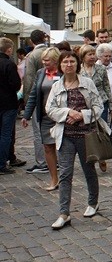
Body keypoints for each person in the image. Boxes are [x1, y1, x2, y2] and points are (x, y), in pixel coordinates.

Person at [45, 50, 105, 229]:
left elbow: (98, 105)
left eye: (71, 61)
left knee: (89, 170)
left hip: (86, 135)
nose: (68, 65)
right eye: (65, 62)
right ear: (60, 66)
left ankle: (93, 202)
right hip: (66, 135)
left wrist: (82, 115)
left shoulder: (87, 83)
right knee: (65, 174)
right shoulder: (57, 86)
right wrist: (67, 113)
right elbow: (50, 108)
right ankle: (64, 213)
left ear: (76, 64)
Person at [22, 47, 63, 190]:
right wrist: (26, 115)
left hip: (61, 116)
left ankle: (64, 177)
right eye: (43, 60)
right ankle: (54, 179)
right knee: (48, 147)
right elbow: (34, 94)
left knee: (64, 147)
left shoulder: (63, 73)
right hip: (45, 116)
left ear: (56, 60)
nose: (44, 62)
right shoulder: (41, 73)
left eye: (48, 60)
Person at [79, 44, 112, 172]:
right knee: (88, 132)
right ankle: (91, 157)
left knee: (100, 130)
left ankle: (101, 157)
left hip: (101, 104)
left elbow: (107, 88)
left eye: (94, 54)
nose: (93, 57)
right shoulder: (78, 71)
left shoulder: (101, 69)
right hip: (85, 105)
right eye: (89, 54)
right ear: (83, 57)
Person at [22, 29, 49, 174]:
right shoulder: (52, 52)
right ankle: (53, 160)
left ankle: (42, 162)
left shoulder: (32, 56)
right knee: (51, 130)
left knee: (38, 132)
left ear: (32, 41)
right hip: (51, 97)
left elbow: (29, 79)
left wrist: (27, 102)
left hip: (38, 98)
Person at [0, 38, 21, 174]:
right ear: (8, 50)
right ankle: (2, 163)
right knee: (6, 134)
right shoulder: (9, 64)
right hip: (8, 103)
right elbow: (16, 85)